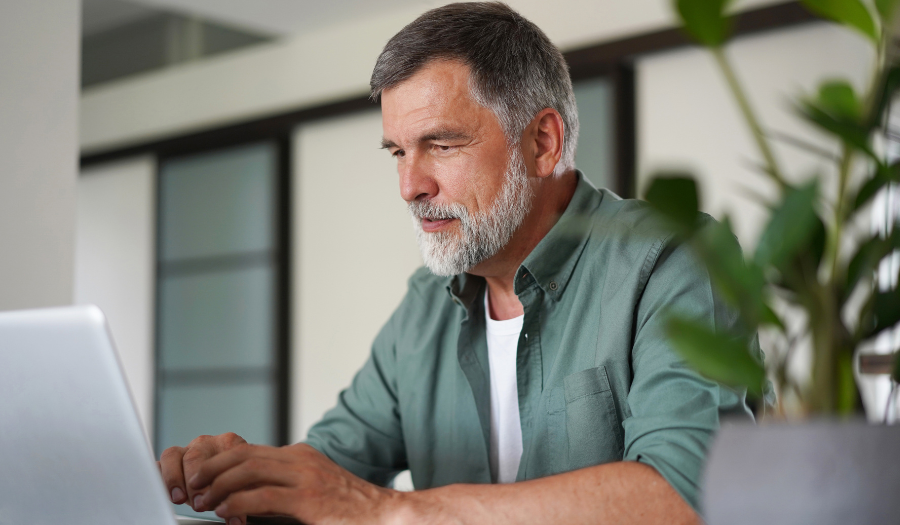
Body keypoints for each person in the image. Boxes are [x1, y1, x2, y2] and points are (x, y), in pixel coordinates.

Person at [158, 3, 756, 524]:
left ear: (542, 143)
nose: (409, 186)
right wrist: (245, 479)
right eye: (398, 152)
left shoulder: (672, 263)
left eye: (442, 145)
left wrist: (388, 511)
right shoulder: (425, 305)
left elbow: (688, 496)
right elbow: (334, 469)